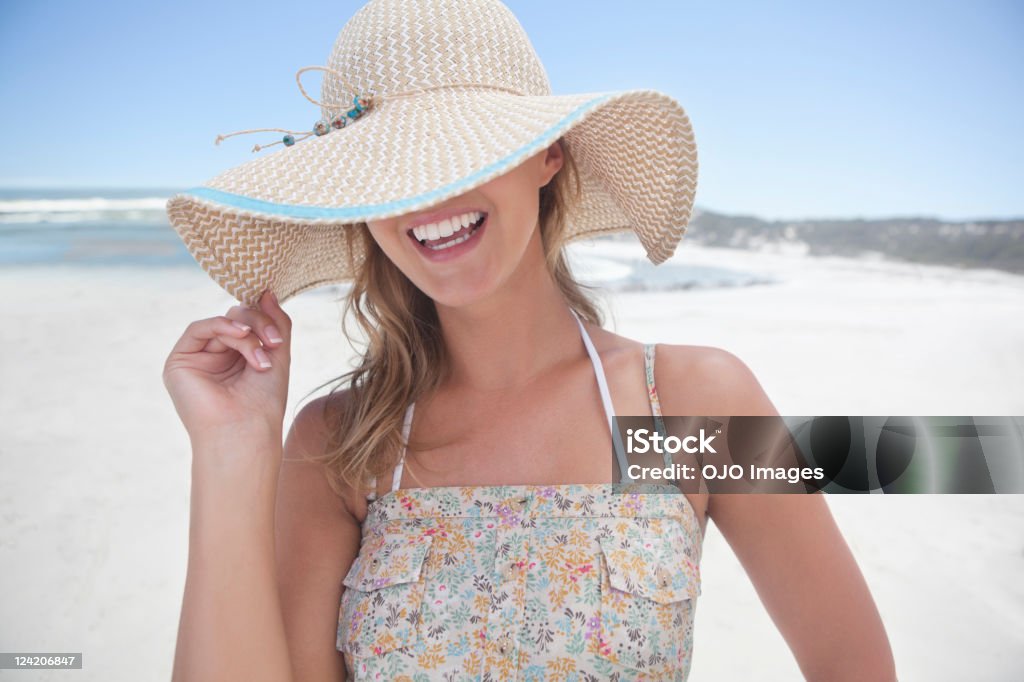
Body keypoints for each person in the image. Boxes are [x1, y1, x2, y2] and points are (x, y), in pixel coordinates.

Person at [162, 1, 897, 680]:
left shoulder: (678, 409)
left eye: (463, 151)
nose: (427, 197)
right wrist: (231, 448)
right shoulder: (350, 446)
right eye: (389, 171)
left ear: (549, 157)